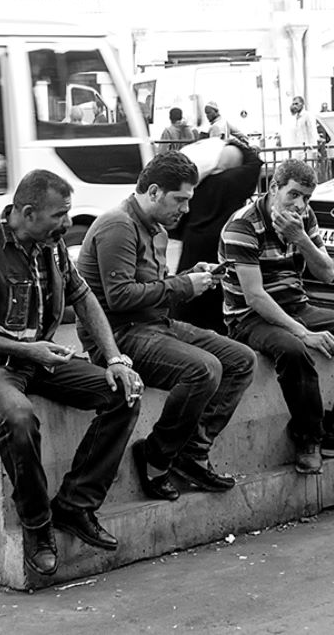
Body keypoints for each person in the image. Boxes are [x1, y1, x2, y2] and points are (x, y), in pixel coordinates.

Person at [0, 169, 142, 578]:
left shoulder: (50, 246)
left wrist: (115, 359)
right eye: (60, 215)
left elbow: (83, 298)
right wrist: (25, 349)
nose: (67, 224)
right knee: (19, 419)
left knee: (123, 393)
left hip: (38, 358)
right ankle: (37, 528)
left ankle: (75, 505)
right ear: (28, 212)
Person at [78, 152, 256, 500]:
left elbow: (152, 291)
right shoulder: (118, 225)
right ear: (155, 192)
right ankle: (156, 456)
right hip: (118, 338)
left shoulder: (153, 228)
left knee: (241, 360)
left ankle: (191, 453)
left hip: (154, 325)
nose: (186, 210)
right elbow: (119, 297)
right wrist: (182, 286)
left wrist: (189, 278)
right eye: (180, 200)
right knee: (204, 369)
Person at [220, 160, 334, 474]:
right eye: (293, 195)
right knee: (294, 350)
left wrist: (301, 238)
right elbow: (255, 297)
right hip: (249, 318)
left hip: (298, 307)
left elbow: (327, 273)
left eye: (306, 197)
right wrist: (303, 333)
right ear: (273, 189)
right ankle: (308, 438)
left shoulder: (304, 218)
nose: (300, 204)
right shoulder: (242, 225)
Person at [173, 138, 265, 333]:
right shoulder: (234, 182)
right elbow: (255, 162)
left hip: (193, 242)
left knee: (189, 293)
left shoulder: (197, 183)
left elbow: (177, 224)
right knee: (216, 295)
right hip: (220, 243)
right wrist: (230, 142)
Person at [279, 95, 319, 160]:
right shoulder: (294, 117)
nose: (295, 106)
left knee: (307, 168)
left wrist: (314, 150)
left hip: (307, 149)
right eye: (293, 104)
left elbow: (313, 132)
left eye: (297, 104)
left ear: (302, 104)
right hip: (297, 149)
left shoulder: (307, 115)